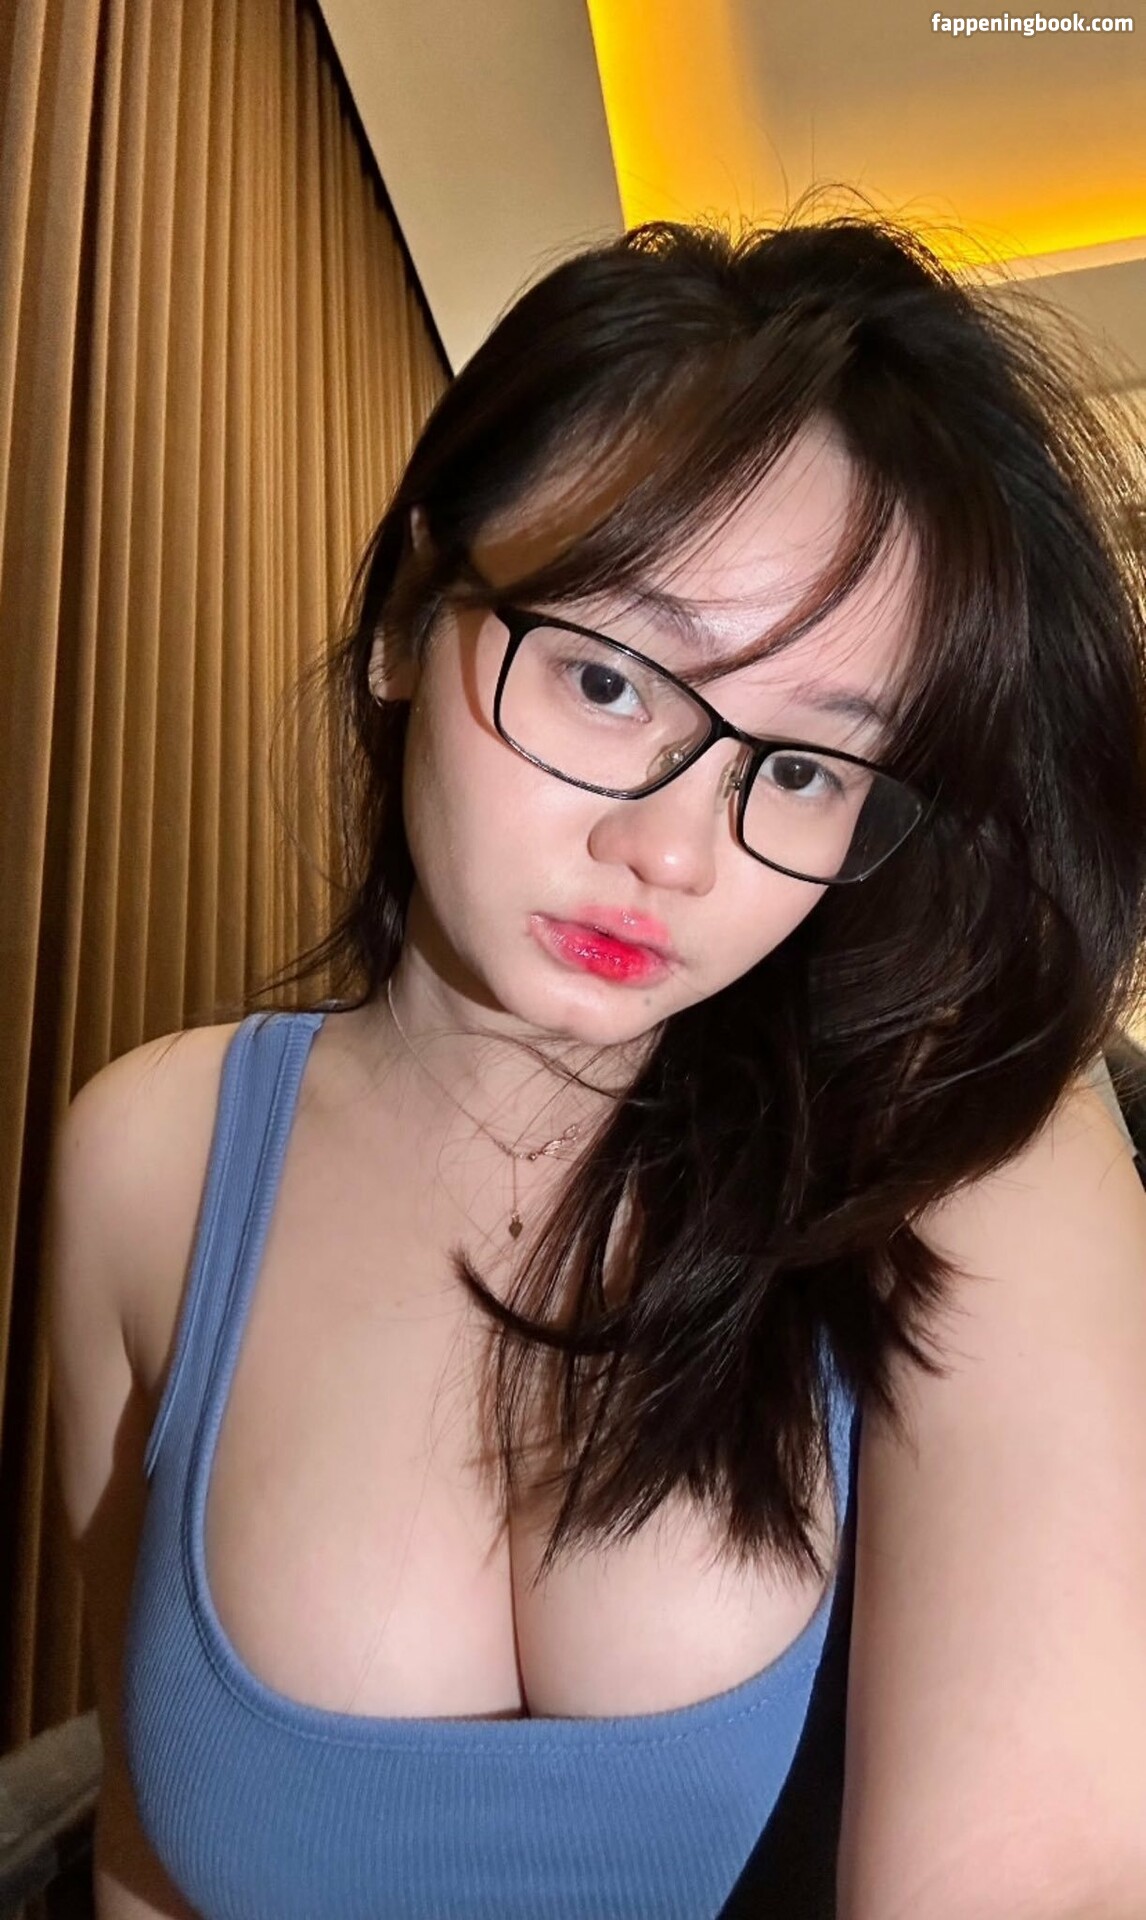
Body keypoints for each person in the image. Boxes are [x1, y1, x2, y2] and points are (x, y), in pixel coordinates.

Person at [45, 214, 1146, 1920]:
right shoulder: (147, 1160)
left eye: (801, 770)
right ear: (408, 617)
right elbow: (149, 1844)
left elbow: (1048, 1875)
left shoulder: (968, 1162)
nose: (673, 852)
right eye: (608, 681)